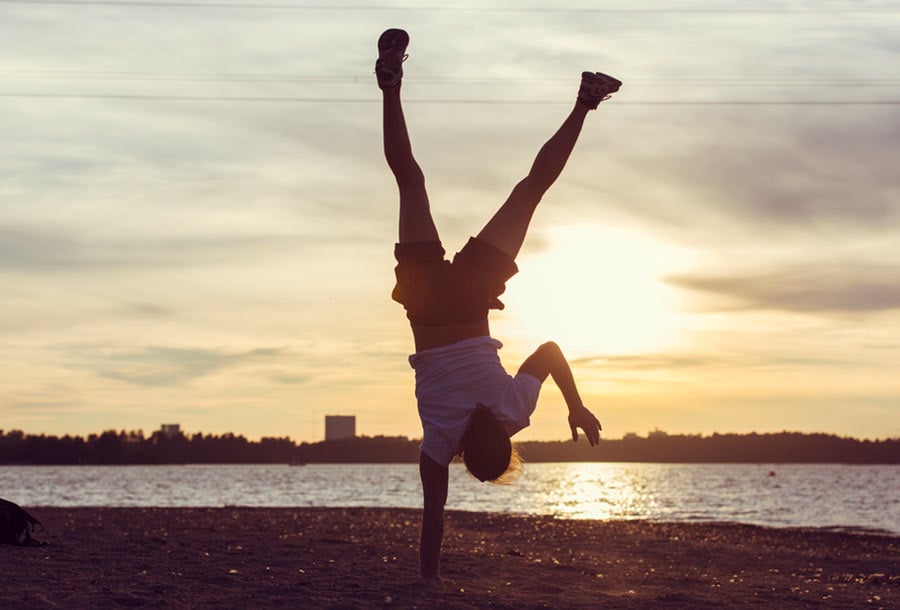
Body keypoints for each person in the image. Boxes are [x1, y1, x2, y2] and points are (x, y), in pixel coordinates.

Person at [376, 28, 619, 586]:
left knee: (528, 191)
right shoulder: (440, 439)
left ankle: (586, 100)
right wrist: (428, 579)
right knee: (409, 181)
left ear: (507, 445)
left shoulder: (514, 411)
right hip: (427, 305)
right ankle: (389, 87)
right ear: (469, 456)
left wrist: (576, 407)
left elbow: (552, 351)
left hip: (471, 296)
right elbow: (432, 516)